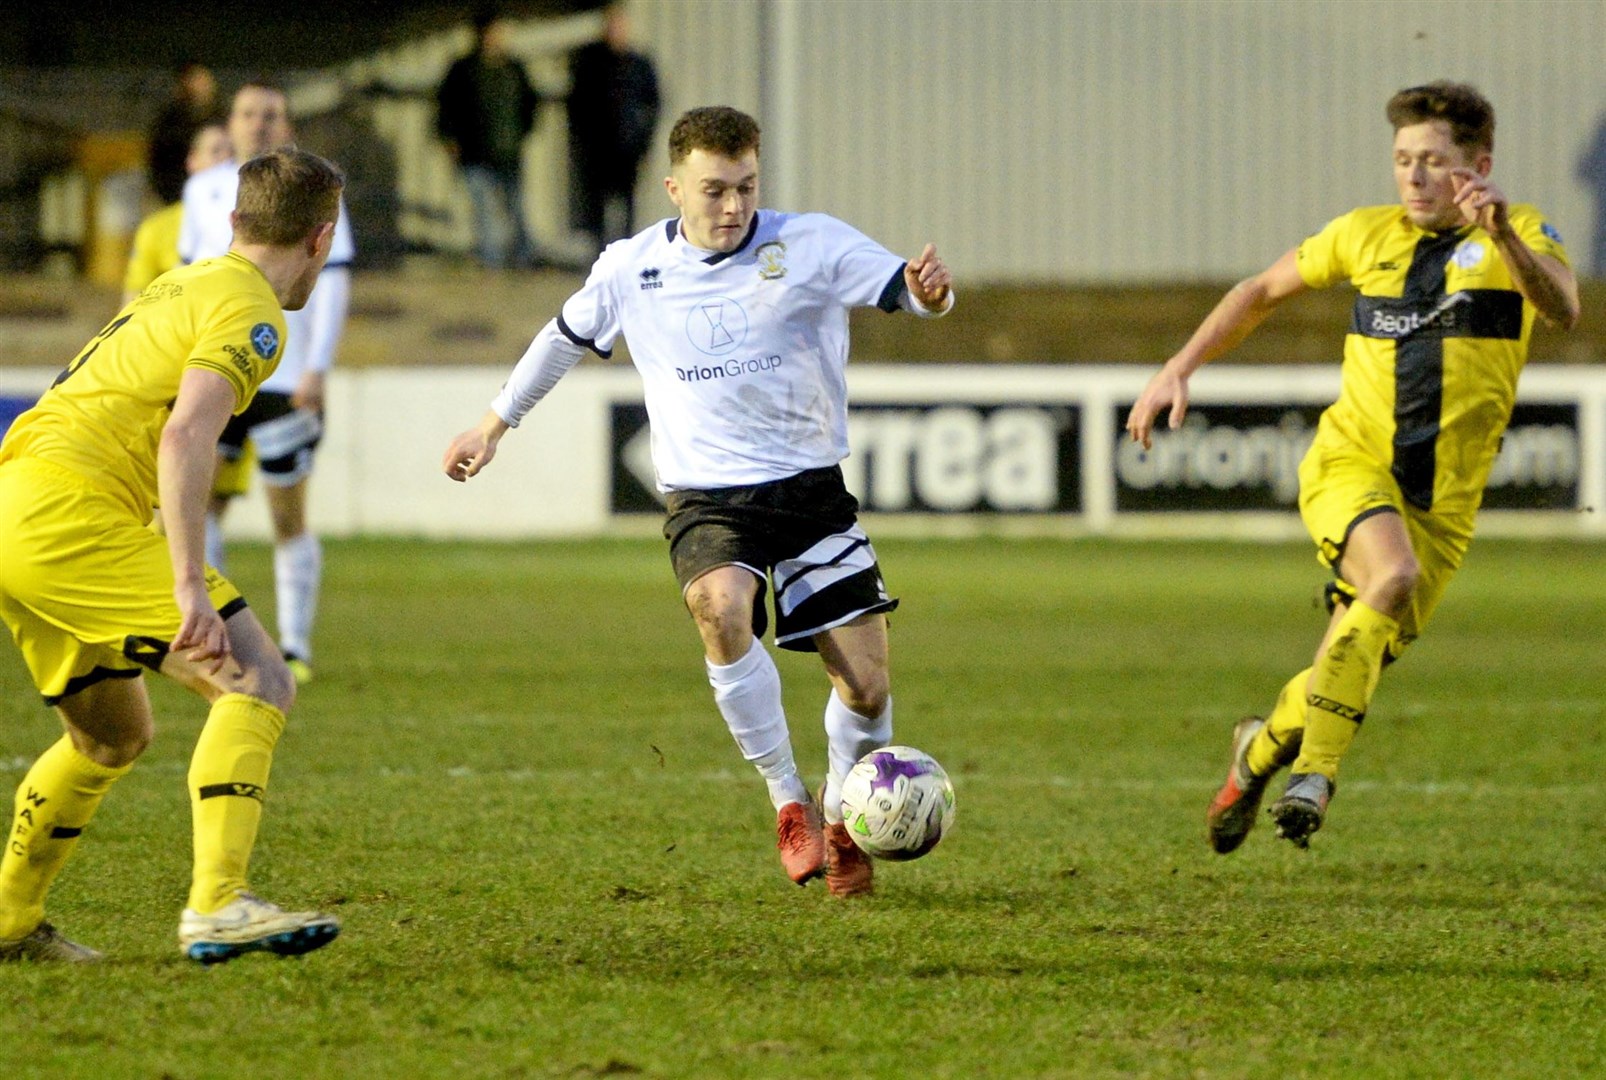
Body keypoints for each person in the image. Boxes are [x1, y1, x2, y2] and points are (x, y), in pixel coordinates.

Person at [443, 106, 953, 897]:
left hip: (812, 494)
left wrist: (929, 296)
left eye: (746, 187)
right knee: (719, 609)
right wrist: (493, 423)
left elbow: (903, 290)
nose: (733, 206)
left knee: (866, 685)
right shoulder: (630, 266)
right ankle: (788, 799)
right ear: (675, 186)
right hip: (709, 498)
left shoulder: (810, 243)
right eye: (715, 190)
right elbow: (563, 338)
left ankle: (845, 816)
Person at [1126, 82, 1579, 852]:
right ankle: (1317, 777)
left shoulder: (1523, 234)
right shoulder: (1365, 235)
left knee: (1341, 668)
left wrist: (1503, 236)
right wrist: (1180, 365)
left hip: (1443, 507)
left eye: (1433, 161)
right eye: (1403, 160)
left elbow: (1565, 308)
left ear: (1479, 164)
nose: (1413, 177)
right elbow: (1261, 289)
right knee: (1389, 578)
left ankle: (1259, 752)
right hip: (1351, 464)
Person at [0, 148, 346, 964]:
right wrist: (188, 578)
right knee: (260, 677)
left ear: (233, 222)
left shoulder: (184, 281)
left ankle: (9, 923)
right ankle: (218, 903)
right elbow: (188, 431)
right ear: (322, 239)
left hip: (18, 505)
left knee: (108, 738)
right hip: (69, 516)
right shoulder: (254, 309)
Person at [181, 80, 356, 684]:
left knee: (289, 514)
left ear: (285, 125)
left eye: (270, 114)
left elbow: (332, 279)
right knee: (202, 503)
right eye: (248, 113)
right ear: (230, 122)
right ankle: (215, 639)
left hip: (283, 374)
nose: (258, 123)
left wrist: (318, 366)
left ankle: (297, 645)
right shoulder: (201, 190)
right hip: (216, 370)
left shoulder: (316, 193)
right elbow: (190, 279)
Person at [435, 8, 544, 269]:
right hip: (474, 152)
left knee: (515, 207)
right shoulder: (462, 70)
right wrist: (449, 140)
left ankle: (522, 258)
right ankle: (490, 261)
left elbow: (531, 104)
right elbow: (446, 108)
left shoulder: (514, 68)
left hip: (508, 151)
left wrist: (521, 135)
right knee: (483, 211)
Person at [567, 3, 660, 255]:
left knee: (627, 204)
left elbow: (653, 104)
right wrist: (581, 139)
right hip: (597, 147)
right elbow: (576, 104)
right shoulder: (590, 63)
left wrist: (644, 142)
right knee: (597, 204)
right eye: (611, 25)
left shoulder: (639, 64)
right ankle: (600, 254)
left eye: (619, 25)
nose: (615, 30)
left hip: (628, 148)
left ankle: (627, 254)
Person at [124, 121, 231, 304]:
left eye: (233, 153)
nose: (226, 160)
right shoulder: (156, 229)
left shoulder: (254, 227)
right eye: (215, 151)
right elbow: (132, 303)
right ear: (192, 161)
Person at [147, 62, 220, 206]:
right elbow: (159, 165)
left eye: (205, 80)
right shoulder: (169, 123)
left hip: (215, 195)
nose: (204, 85)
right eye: (197, 80)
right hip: (175, 196)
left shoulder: (220, 118)